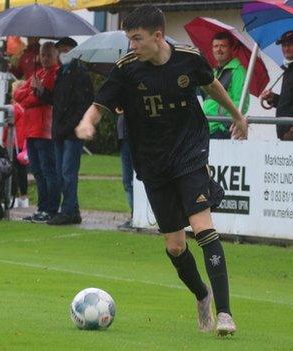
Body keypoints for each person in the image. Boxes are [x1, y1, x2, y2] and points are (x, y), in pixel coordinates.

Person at [75, 5, 248, 336]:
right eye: (129, 39)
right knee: (175, 247)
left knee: (203, 227)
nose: (132, 46)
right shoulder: (127, 69)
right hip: (152, 163)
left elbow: (212, 86)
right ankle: (202, 296)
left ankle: (225, 314)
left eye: (136, 39)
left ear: (157, 36)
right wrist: (86, 122)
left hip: (189, 154)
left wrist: (237, 116)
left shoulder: (188, 59)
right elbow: (101, 104)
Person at [32, 37, 93, 225]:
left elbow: (83, 103)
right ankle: (70, 209)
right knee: (61, 172)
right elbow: (57, 100)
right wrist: (41, 91)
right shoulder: (62, 73)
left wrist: (71, 125)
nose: (62, 54)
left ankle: (68, 210)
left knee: (67, 172)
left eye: (66, 50)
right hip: (60, 131)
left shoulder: (80, 73)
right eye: (60, 50)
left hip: (71, 132)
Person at [14, 42, 60, 223]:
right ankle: (42, 207)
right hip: (31, 130)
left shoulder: (54, 74)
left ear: (55, 55)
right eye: (43, 54)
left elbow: (38, 98)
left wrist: (32, 94)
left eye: (48, 55)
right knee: (37, 171)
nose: (45, 58)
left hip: (44, 130)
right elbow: (19, 95)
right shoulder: (38, 73)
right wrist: (31, 93)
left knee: (48, 170)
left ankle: (51, 208)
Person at [202, 32, 249, 139]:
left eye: (223, 46)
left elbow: (242, 103)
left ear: (231, 49)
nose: (219, 49)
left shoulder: (238, 70)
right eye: (215, 46)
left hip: (222, 130)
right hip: (208, 128)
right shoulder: (213, 72)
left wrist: (224, 126)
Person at [116, 107, 134, 229]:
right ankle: (134, 215)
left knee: (139, 181)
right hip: (123, 137)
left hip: (135, 137)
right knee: (127, 181)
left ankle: (141, 215)